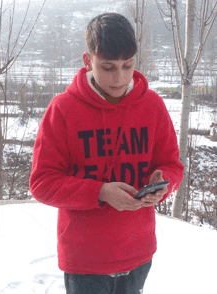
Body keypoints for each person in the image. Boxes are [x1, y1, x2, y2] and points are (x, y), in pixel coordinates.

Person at [30, 13, 184, 294]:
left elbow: (172, 165)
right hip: (85, 260)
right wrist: (100, 192)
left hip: (139, 252)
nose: (120, 77)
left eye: (128, 65)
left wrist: (163, 185)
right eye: (108, 67)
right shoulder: (62, 110)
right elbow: (41, 184)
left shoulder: (152, 105)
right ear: (87, 61)